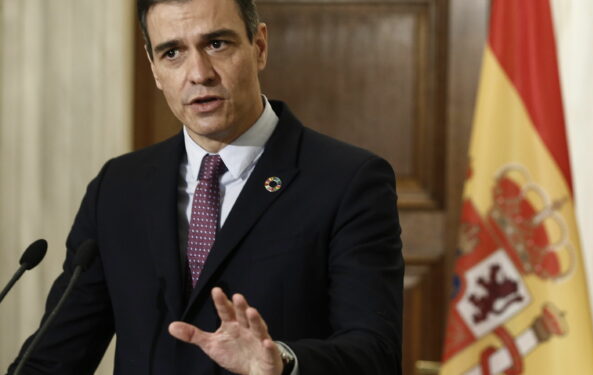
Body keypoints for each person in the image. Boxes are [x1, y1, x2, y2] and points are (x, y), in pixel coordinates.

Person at [6, 0, 404, 373]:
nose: (198, 73)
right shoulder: (118, 187)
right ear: (154, 68)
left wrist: (282, 361)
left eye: (216, 44)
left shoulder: (347, 181)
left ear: (259, 46)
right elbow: (56, 355)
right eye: (172, 52)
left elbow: (375, 352)